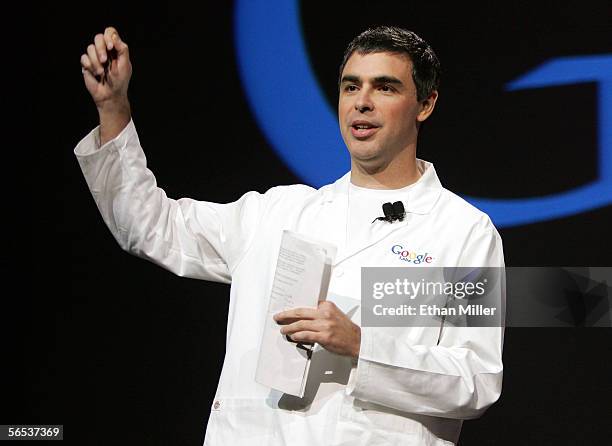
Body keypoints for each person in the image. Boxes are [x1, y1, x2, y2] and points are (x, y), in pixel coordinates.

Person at [76, 25, 505, 445]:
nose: (362, 103)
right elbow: (149, 226)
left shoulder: (463, 231)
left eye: (385, 88)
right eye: (351, 87)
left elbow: (478, 380)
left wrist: (361, 344)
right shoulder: (277, 212)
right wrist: (114, 109)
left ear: (425, 104)